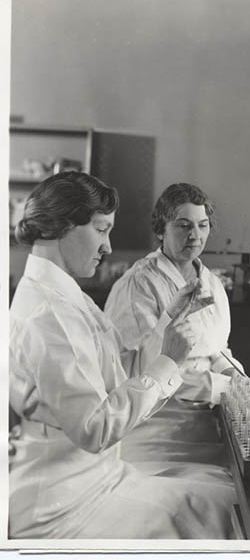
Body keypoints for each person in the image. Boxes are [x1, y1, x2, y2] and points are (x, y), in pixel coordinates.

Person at [9, 172, 236, 540]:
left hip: (99, 480)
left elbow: (122, 371)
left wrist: (167, 320)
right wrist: (167, 362)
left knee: (223, 496)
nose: (108, 247)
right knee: (220, 515)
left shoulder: (66, 296)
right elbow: (95, 428)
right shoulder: (48, 313)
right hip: (64, 507)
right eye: (101, 230)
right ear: (62, 226)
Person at [105, 183, 246, 467]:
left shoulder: (212, 283)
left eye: (202, 225)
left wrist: (238, 378)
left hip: (207, 426)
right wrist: (224, 389)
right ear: (160, 230)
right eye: (183, 226)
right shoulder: (139, 285)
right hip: (160, 435)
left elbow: (216, 349)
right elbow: (142, 372)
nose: (195, 236)